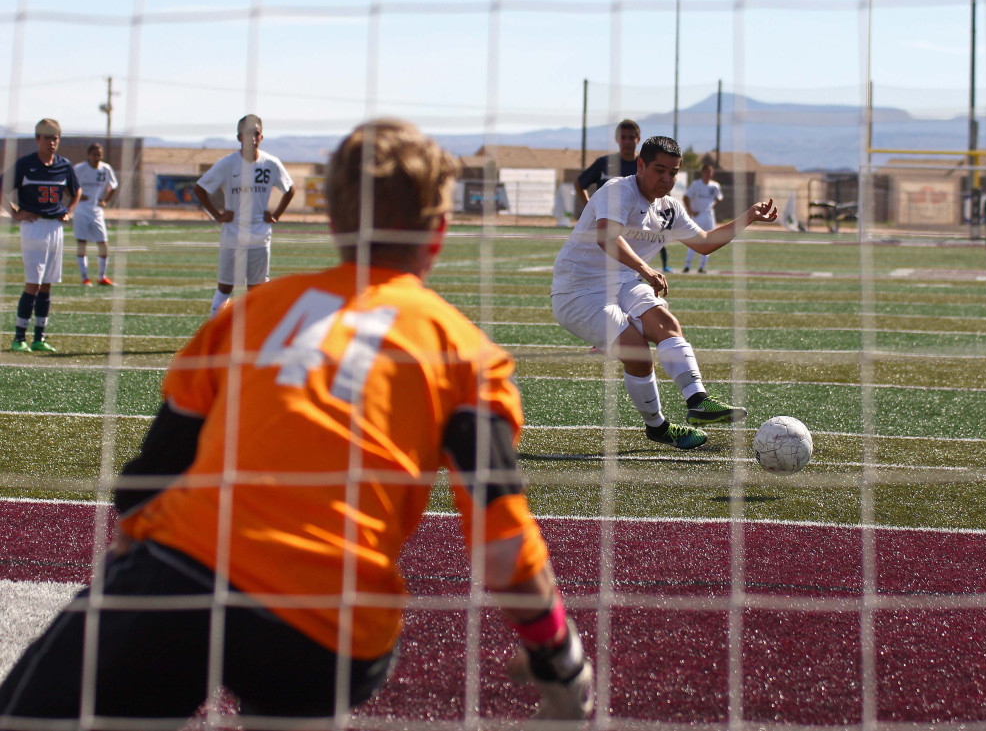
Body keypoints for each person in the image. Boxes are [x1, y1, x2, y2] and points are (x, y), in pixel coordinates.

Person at [0, 119, 594, 728]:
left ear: (335, 224)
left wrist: (128, 595)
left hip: (187, 575)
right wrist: (558, 654)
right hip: (330, 627)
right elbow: (501, 544)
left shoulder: (247, 315)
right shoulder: (465, 354)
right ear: (439, 232)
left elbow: (152, 474)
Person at [552, 136, 776, 450]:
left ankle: (698, 401)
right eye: (660, 170)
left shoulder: (669, 208)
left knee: (666, 325)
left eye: (673, 173)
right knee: (638, 353)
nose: (667, 179)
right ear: (640, 165)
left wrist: (749, 216)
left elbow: (705, 243)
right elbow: (607, 237)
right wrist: (646, 270)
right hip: (578, 290)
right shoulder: (619, 190)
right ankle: (657, 427)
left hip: (624, 284)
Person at [194, 114, 296, 319]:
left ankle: (254, 334)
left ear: (262, 136)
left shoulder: (271, 163)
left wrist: (275, 215)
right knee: (225, 286)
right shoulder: (227, 164)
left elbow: (290, 190)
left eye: (256, 133)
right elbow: (200, 189)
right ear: (239, 137)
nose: (252, 137)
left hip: (260, 237)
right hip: (232, 235)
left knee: (256, 290)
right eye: (247, 133)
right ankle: (215, 333)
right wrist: (217, 215)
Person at [1, 118, 81, 353]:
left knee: (47, 285)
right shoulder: (25, 164)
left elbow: (76, 192)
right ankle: (18, 338)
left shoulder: (64, 166)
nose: (52, 142)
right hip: (33, 225)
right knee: (33, 284)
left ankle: (39, 337)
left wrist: (69, 211)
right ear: (37, 139)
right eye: (47, 137)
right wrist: (15, 213)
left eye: (55, 138)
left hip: (55, 226)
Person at [575, 119, 672, 272]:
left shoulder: (647, 166)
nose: (627, 141)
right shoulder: (605, 163)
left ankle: (663, 266)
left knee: (632, 272)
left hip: (636, 228)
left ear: (638, 139)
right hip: (608, 226)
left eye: (631, 137)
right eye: (623, 137)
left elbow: (661, 192)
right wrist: (590, 208)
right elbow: (580, 184)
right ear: (617, 139)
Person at [73, 142, 119, 286]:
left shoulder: (105, 169)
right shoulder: (79, 169)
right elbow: (67, 185)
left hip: (96, 210)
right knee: (82, 243)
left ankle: (101, 276)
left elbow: (114, 186)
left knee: (103, 243)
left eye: (99, 155)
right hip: (81, 210)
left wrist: (105, 201)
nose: (97, 157)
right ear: (88, 155)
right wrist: (76, 197)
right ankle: (84, 278)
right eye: (94, 154)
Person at [683, 163, 724, 273]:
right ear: (702, 173)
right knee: (694, 239)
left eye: (710, 172)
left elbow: (719, 198)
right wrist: (690, 211)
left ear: (712, 173)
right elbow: (686, 197)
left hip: (709, 215)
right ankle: (687, 265)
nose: (708, 174)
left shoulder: (715, 186)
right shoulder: (696, 184)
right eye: (706, 172)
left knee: (709, 241)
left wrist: (711, 204)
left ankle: (702, 266)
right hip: (698, 215)